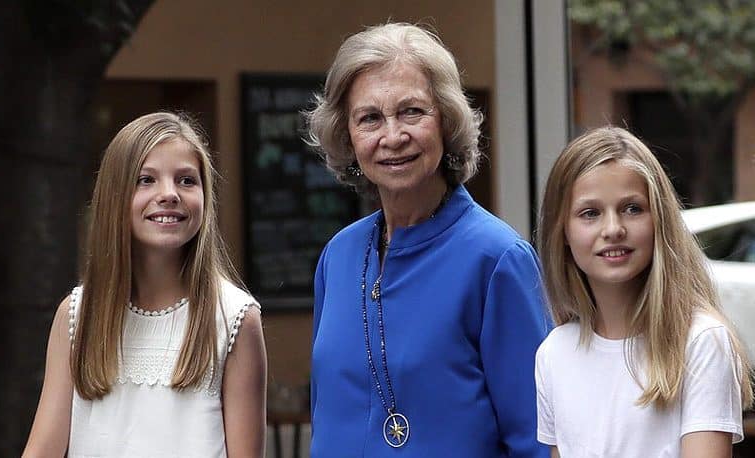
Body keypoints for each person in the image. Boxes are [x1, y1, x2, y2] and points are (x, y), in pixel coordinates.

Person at [306, 22, 549, 456]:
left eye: (412, 111)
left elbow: (535, 438)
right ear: (347, 135)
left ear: (446, 120)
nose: (393, 136)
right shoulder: (338, 257)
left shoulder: (497, 259)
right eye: (370, 118)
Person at [22, 112, 267, 458]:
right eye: (146, 179)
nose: (169, 194)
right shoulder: (78, 315)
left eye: (186, 180)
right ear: (114, 196)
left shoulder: (235, 318)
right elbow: (41, 450)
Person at [536, 126, 753, 457]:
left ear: (660, 219)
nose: (613, 229)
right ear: (562, 230)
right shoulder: (553, 354)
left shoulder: (700, 341)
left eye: (632, 208)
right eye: (590, 213)